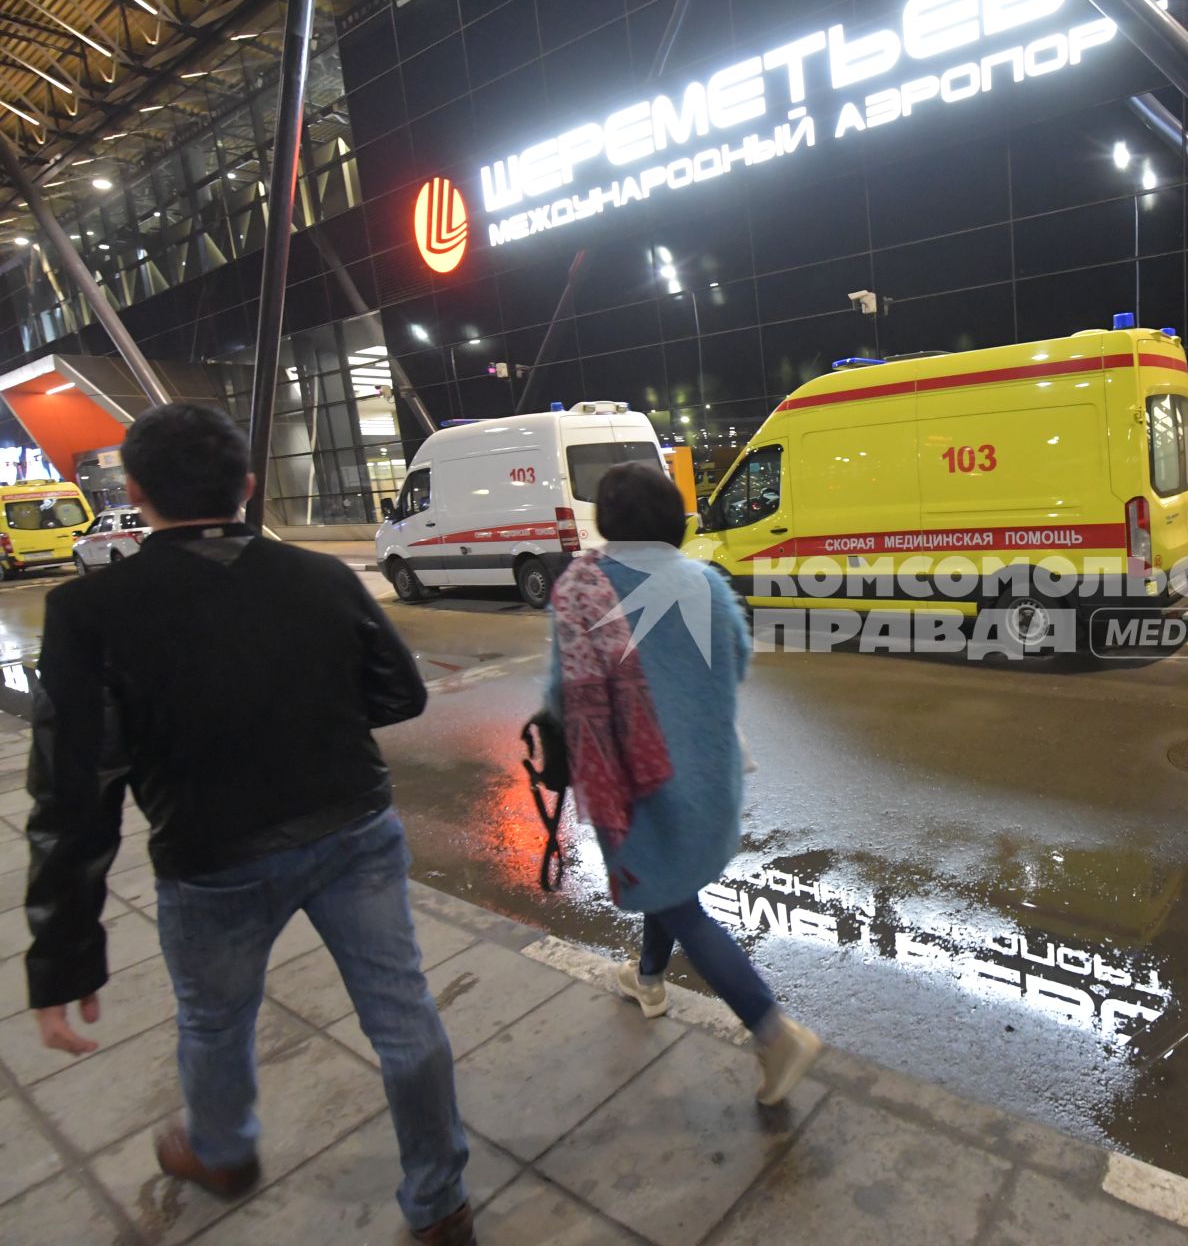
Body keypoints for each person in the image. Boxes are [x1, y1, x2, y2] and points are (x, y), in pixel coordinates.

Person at [21, 405, 474, 1246]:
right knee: (404, 1014)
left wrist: (63, 956)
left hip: (210, 857)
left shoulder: (90, 610)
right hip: (355, 833)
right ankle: (440, 1203)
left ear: (134, 491)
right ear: (248, 487)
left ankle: (224, 1153)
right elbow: (399, 694)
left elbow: (73, 789)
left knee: (215, 1022)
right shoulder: (320, 579)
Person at [546, 461, 821, 1104]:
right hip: (715, 775)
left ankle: (772, 1030)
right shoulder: (708, 581)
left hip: (640, 787)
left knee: (674, 900)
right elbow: (740, 660)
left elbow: (566, 695)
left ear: (606, 520)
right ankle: (647, 981)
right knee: (672, 884)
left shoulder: (585, 587)